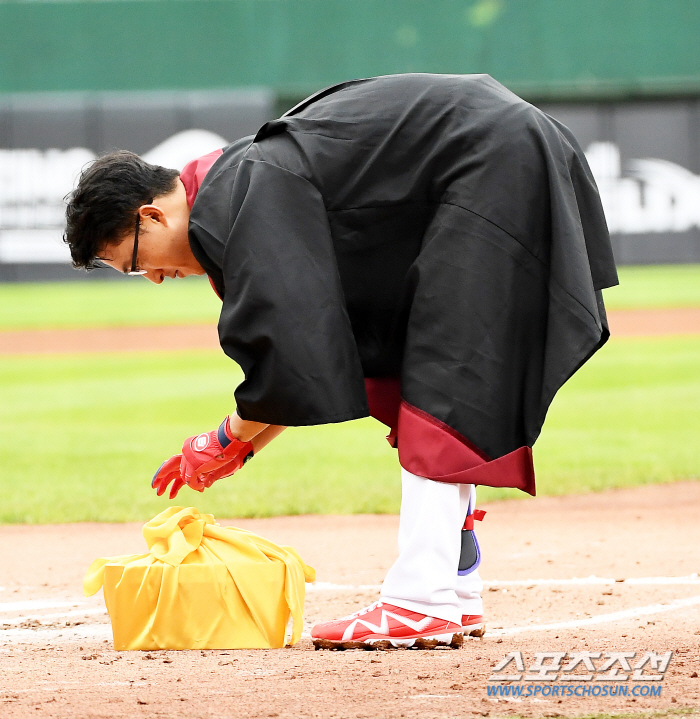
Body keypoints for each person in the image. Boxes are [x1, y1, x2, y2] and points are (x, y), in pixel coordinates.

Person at [64, 73, 617, 650]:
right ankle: (453, 590)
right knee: (424, 380)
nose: (152, 276)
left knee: (442, 379)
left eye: (134, 262)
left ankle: (420, 602)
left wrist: (228, 437)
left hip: (491, 160)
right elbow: (319, 348)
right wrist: (240, 440)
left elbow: (292, 349)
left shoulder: (240, 192)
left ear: (151, 217)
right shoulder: (238, 187)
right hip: (497, 153)